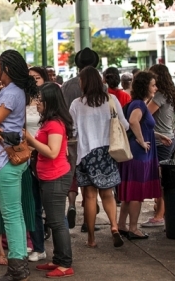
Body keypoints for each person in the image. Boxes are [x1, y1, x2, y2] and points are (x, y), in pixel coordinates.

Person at [0, 49, 38, 281]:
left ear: (7, 69)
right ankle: (19, 263)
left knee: (11, 215)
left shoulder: (10, 94)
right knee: (16, 214)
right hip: (9, 160)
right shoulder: (14, 92)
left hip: (4, 162)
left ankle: (17, 269)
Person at [69, 66, 126, 248]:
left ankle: (91, 238)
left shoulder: (77, 104)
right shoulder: (111, 100)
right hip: (107, 152)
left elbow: (73, 131)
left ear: (84, 82)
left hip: (86, 154)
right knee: (108, 194)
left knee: (90, 197)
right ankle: (115, 227)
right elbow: (124, 124)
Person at [26, 82, 74, 278]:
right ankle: (58, 259)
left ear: (49, 102)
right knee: (55, 221)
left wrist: (31, 141)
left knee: (57, 222)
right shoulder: (49, 122)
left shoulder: (54, 124)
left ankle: (65, 264)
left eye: (40, 100)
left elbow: (53, 152)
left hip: (56, 177)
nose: (37, 103)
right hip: (49, 176)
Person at [117, 72, 162, 239]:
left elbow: (142, 125)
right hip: (139, 154)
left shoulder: (135, 103)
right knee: (137, 193)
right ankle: (133, 228)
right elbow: (134, 121)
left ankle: (122, 225)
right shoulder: (140, 105)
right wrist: (142, 141)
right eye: (152, 85)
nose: (155, 88)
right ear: (145, 87)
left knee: (130, 192)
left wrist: (157, 136)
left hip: (134, 153)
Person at [61, 47, 101, 232]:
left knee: (72, 175)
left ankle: (71, 204)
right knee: (89, 181)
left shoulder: (67, 86)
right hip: (93, 140)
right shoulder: (101, 88)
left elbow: (61, 111)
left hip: (70, 138)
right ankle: (88, 218)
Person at [141, 64, 175, 228]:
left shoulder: (159, 97)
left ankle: (159, 215)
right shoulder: (169, 94)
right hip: (168, 138)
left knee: (160, 180)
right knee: (164, 179)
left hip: (160, 141)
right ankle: (162, 210)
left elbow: (143, 115)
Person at [26, 68, 46, 263]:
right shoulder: (22, 98)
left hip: (47, 156)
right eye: (29, 77)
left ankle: (61, 253)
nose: (33, 80)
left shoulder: (49, 99)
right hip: (27, 158)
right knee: (33, 206)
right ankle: (38, 247)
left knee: (51, 208)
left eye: (37, 77)